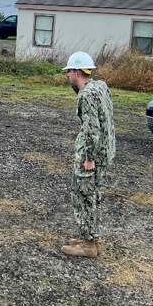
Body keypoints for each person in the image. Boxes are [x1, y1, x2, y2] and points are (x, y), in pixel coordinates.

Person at [61, 51, 116, 258]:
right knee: (91, 195)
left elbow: (92, 129)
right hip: (104, 151)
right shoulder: (99, 87)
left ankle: (89, 244)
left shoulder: (86, 95)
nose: (67, 75)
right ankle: (87, 236)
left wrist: (89, 158)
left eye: (69, 72)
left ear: (77, 71)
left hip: (92, 155)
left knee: (84, 195)